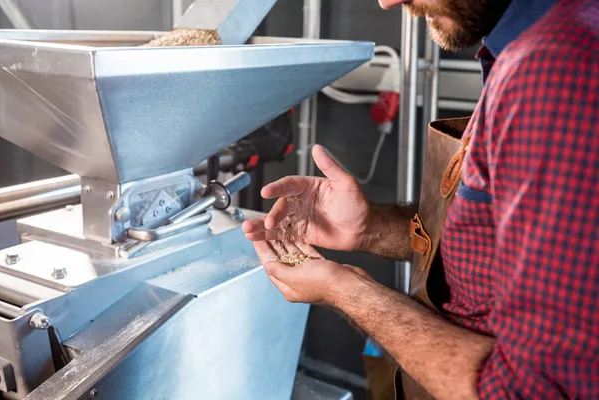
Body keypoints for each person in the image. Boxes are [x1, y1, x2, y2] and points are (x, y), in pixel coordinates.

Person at [242, 0, 599, 398]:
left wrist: (347, 291)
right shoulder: (530, 46)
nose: (388, 2)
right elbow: (498, 252)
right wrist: (371, 228)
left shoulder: (556, 66)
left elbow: (531, 390)